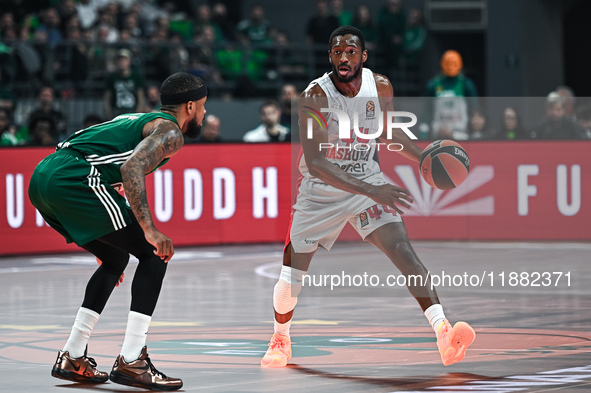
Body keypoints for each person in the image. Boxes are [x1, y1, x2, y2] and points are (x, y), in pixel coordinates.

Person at [260, 26, 475, 368]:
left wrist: (420, 156)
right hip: (322, 189)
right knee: (292, 275)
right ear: (330, 57)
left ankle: (443, 332)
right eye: (336, 52)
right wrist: (373, 189)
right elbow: (315, 162)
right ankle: (280, 338)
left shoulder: (381, 86)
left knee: (403, 251)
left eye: (350, 51)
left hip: (365, 177)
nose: (343, 57)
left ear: (363, 56)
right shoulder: (315, 95)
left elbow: (387, 130)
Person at [28, 72, 208, 391]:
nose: (205, 114)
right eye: (204, 107)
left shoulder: (140, 119)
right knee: (154, 253)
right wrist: (149, 229)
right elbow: (132, 168)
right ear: (190, 106)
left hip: (45, 176)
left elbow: (113, 163)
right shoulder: (170, 132)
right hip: (74, 177)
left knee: (114, 259)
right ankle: (132, 361)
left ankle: (72, 355)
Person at [422, 50, 478, 140]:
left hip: (461, 133)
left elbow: (475, 109)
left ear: (460, 64)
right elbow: (426, 110)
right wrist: (424, 130)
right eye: (448, 63)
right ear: (442, 64)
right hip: (438, 134)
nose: (450, 67)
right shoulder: (433, 85)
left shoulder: (466, 84)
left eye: (454, 63)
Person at [103, 48, 145, 120]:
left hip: (132, 110)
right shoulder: (112, 77)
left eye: (124, 60)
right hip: (116, 110)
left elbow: (140, 96)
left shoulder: (136, 77)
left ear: (129, 61)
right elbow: (107, 97)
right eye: (120, 60)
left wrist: (138, 112)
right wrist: (108, 114)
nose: (122, 62)